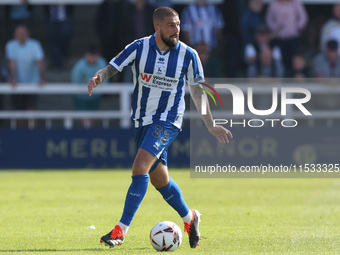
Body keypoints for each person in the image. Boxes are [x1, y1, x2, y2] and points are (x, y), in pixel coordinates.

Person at [88, 7, 232, 249]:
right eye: (170, 25)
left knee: (139, 166)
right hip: (142, 120)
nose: (176, 30)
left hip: (168, 120)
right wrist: (99, 77)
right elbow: (114, 66)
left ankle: (120, 230)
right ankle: (190, 218)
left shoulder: (189, 55)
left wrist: (211, 125)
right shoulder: (139, 47)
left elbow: (198, 92)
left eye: (177, 24)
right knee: (159, 179)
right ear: (157, 27)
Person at [5, 25, 45, 127]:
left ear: (28, 34)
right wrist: (13, 79)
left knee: (31, 109)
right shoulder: (10, 45)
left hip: (33, 82)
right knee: (19, 110)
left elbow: (40, 62)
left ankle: (32, 132)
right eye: (19, 34)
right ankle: (21, 133)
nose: (21, 36)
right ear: (15, 35)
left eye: (23, 33)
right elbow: (12, 63)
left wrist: (42, 78)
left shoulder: (35, 44)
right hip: (18, 83)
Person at [266, 0, 308, 75]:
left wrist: (297, 27)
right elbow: (269, 19)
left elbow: (303, 17)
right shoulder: (274, 4)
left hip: (293, 37)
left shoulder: (295, 3)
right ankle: (282, 75)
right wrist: (275, 29)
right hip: (279, 38)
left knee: (293, 59)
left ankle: (293, 76)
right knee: (280, 59)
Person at [71, 45, 107, 128]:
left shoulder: (102, 63)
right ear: (86, 55)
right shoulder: (79, 66)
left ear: (98, 55)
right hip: (81, 98)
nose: (92, 58)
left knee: (93, 120)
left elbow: (106, 79)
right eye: (90, 56)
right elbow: (76, 81)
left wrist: (87, 81)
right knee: (84, 121)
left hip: (95, 97)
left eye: (94, 56)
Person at [44, 4, 74, 69]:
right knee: (53, 40)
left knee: (64, 38)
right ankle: (55, 64)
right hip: (52, 18)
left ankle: (63, 58)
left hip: (65, 17)